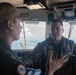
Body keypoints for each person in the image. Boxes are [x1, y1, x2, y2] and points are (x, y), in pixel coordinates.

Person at [0, 2, 67, 75]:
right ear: (10, 24)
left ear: (62, 30)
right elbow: (31, 59)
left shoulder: (71, 44)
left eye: (57, 29)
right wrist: (50, 70)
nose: (54, 31)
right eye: (52, 28)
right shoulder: (43, 45)